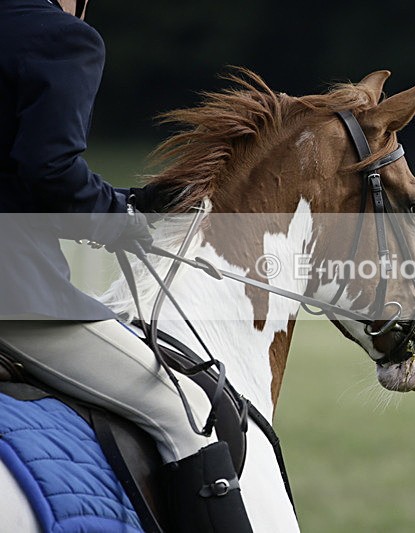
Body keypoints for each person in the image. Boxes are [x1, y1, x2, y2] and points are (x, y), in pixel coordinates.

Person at [0, 1, 252, 531]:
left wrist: (122, 201)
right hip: (13, 296)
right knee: (187, 412)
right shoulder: (62, 38)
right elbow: (49, 172)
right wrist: (126, 221)